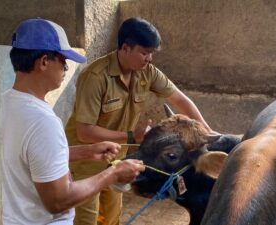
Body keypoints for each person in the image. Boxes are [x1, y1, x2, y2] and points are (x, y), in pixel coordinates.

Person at [65, 17, 217, 225]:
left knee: (110, 216)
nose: (149, 58)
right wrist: (130, 136)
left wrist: (206, 133)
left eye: (152, 53)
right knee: (87, 217)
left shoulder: (147, 72)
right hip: (85, 159)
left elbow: (180, 99)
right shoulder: (95, 77)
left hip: (116, 156)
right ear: (125, 48)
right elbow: (84, 132)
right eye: (144, 52)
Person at [2, 18, 145, 225]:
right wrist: (113, 174)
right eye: (62, 61)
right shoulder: (43, 121)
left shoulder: (3, 103)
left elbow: (27, 157)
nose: (66, 68)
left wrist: (87, 152)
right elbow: (59, 200)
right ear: (43, 62)